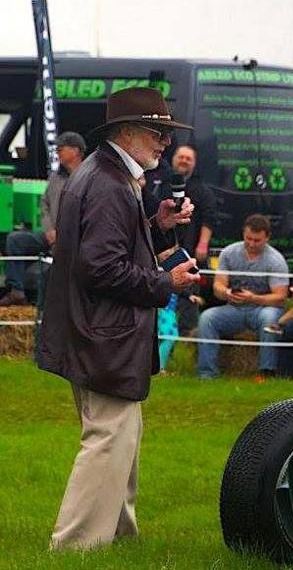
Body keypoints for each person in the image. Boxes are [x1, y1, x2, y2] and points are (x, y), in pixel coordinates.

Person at [37, 87, 200, 550]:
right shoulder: (109, 184)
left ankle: (120, 534)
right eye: (158, 131)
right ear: (125, 132)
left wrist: (157, 226)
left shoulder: (101, 174)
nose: (165, 142)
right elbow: (102, 268)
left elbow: (102, 247)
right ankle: (75, 545)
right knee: (109, 438)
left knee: (122, 436)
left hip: (90, 329)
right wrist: (168, 282)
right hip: (104, 335)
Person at [195, 214, 289, 379]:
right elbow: (218, 286)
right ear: (243, 234)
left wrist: (253, 298)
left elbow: (280, 297)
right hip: (235, 308)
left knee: (270, 320)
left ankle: (266, 373)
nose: (252, 243)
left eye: (257, 240)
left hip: (262, 309)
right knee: (207, 318)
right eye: (248, 238)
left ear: (267, 237)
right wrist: (227, 293)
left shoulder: (276, 260)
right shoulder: (229, 253)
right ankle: (207, 373)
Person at [0, 131, 86, 306]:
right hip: (50, 235)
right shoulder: (55, 177)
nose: (58, 153)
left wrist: (63, 234)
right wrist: (49, 229)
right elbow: (44, 204)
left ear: (76, 151)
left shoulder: (90, 177)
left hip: (76, 241)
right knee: (15, 240)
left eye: (61, 149)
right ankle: (16, 290)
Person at [149, 144, 216, 331]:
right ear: (173, 159)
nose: (184, 161)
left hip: (189, 251)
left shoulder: (203, 190)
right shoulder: (160, 185)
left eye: (188, 158)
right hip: (161, 249)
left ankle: (188, 340)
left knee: (189, 298)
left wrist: (203, 244)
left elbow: (209, 219)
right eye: (181, 157)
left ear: (194, 164)